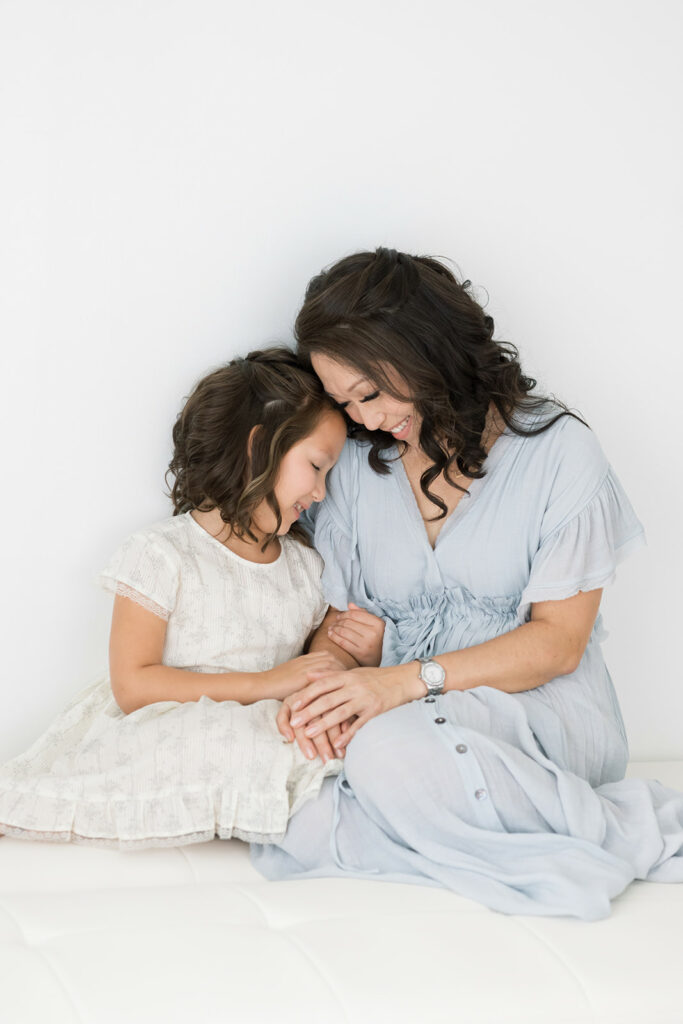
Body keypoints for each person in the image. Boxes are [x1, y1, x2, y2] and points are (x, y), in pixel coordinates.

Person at [251, 248, 683, 919]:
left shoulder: (558, 453)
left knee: (384, 755)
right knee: (289, 797)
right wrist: (325, 691)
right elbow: (336, 628)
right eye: (343, 402)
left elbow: (557, 645)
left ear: (425, 350)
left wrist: (398, 681)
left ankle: (625, 828)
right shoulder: (360, 471)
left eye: (370, 394)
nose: (363, 420)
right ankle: (489, 833)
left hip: (542, 714)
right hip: (399, 717)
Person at [0, 347, 349, 848]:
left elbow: (318, 660)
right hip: (174, 721)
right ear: (258, 447)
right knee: (205, 740)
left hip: (261, 727)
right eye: (316, 466)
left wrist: (345, 647)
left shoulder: (306, 569)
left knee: (294, 745)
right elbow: (134, 686)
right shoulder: (162, 553)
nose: (320, 492)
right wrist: (268, 682)